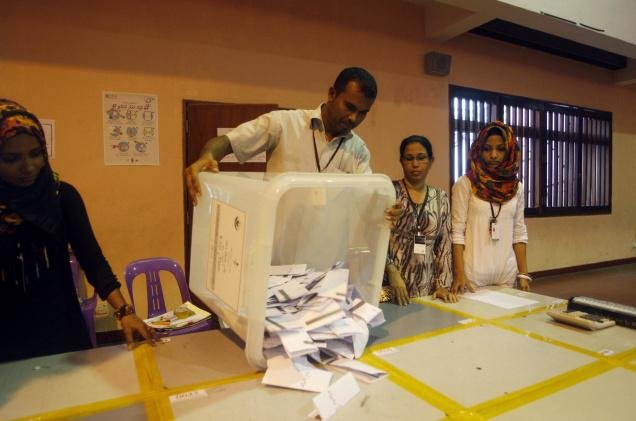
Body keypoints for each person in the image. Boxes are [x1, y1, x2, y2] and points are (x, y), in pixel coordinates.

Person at [0, 100, 155, 362]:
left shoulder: (61, 196)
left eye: (35, 154)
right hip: (6, 337)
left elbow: (92, 260)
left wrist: (125, 312)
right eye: (11, 159)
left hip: (62, 329)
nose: (27, 167)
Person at [184, 67, 401, 221]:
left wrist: (386, 207)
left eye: (363, 113)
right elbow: (226, 142)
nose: (354, 118)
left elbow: (368, 195)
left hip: (326, 258)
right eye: (349, 106)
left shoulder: (359, 151)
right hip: (276, 251)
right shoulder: (284, 123)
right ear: (332, 94)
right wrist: (207, 156)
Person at [450, 121, 531, 294]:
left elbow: (519, 232)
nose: (493, 155)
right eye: (487, 149)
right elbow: (457, 233)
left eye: (500, 149)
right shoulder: (465, 184)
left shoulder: (517, 188)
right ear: (479, 150)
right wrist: (459, 273)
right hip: (472, 277)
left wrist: (523, 274)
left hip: (506, 275)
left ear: (509, 150)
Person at [383, 136, 457, 305]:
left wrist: (443, 285)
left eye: (421, 158)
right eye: (409, 158)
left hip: (427, 289)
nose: (415, 164)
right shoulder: (389, 192)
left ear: (431, 161)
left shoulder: (441, 198)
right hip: (391, 287)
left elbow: (444, 244)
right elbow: (373, 237)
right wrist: (391, 271)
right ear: (401, 161)